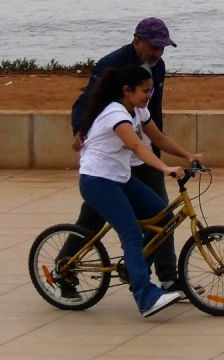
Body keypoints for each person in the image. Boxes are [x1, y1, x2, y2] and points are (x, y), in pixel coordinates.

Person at [74, 64, 200, 316]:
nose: (149, 96)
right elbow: (136, 146)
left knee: (164, 218)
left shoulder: (138, 111)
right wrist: (165, 168)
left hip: (119, 178)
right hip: (97, 181)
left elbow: (158, 139)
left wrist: (188, 156)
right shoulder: (115, 114)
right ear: (127, 90)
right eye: (145, 91)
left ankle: (135, 270)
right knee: (131, 233)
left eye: (151, 90)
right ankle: (146, 297)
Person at [68, 18, 179, 289]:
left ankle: (168, 279)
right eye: (154, 47)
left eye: (163, 48)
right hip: (112, 159)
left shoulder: (158, 67)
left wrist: (159, 147)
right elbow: (86, 101)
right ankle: (65, 266)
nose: (158, 54)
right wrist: (79, 130)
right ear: (137, 41)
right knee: (92, 219)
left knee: (162, 216)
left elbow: (154, 111)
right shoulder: (112, 63)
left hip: (143, 153)